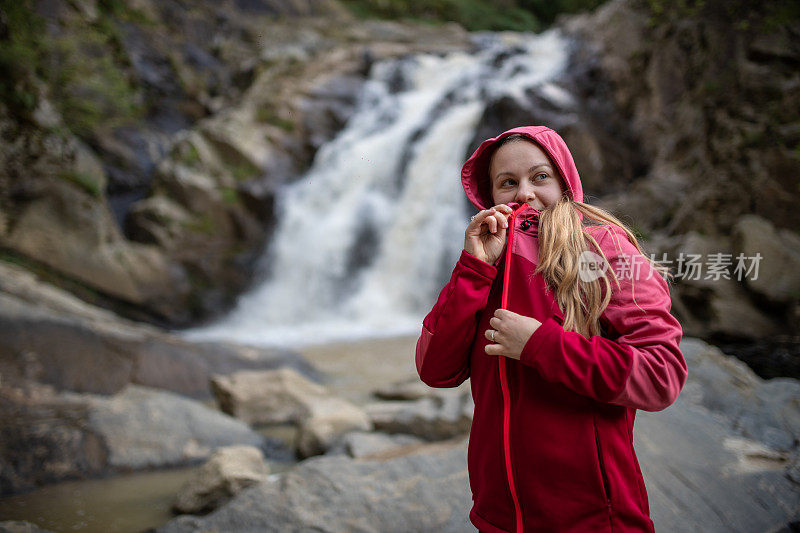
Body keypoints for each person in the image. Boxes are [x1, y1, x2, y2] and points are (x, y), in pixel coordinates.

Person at [415, 125, 687, 533]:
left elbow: (660, 373)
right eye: (508, 183)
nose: (524, 193)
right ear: (490, 197)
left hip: (594, 520)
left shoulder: (604, 248)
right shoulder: (487, 266)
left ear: (564, 182)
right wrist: (474, 269)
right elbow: (436, 370)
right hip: (499, 518)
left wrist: (539, 345)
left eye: (539, 177)